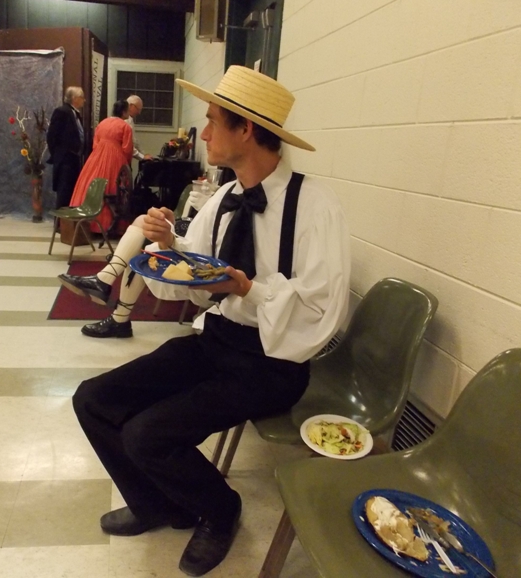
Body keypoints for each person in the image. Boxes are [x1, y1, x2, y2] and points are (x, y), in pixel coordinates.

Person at [72, 66, 351, 577]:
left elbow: (322, 312)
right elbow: (187, 279)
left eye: (213, 121)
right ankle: (157, 504)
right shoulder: (222, 199)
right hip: (216, 340)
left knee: (147, 434)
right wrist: (166, 244)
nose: (203, 134)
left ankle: (220, 510)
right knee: (92, 399)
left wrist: (248, 289)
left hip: (273, 363)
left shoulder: (315, 206)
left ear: (246, 129)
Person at [58, 178, 219, 338]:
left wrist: (210, 207)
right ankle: (107, 286)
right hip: (195, 241)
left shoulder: (229, 194)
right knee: (142, 222)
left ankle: (111, 298)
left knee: (140, 248)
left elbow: (211, 249)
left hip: (210, 271)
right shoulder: (225, 190)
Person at [67, 100, 133, 233]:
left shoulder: (102, 123)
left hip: (97, 156)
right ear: (124, 112)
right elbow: (127, 149)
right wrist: (125, 162)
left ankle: (86, 223)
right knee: (113, 187)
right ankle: (109, 225)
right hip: (116, 157)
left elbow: (95, 144)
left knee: (90, 182)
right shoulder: (125, 127)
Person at [47, 86, 85, 208]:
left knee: (72, 191)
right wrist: (58, 154)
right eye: (82, 97)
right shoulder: (62, 112)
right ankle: (60, 219)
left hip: (74, 158)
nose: (84, 100)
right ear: (74, 98)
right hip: (65, 158)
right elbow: (52, 136)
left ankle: (68, 218)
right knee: (64, 191)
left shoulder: (76, 114)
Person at [126, 95, 153, 162]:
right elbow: (128, 145)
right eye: (138, 109)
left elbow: (134, 141)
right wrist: (142, 157)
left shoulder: (130, 120)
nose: (139, 113)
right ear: (131, 106)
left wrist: (143, 154)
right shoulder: (125, 121)